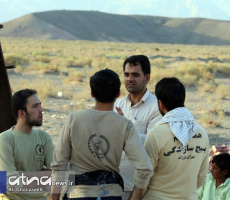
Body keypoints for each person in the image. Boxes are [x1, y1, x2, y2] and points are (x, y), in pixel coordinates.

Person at [50, 69, 153, 200]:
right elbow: (145, 168)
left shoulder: (74, 119)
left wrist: (54, 197)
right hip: (111, 195)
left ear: (92, 93)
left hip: (79, 194)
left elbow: (59, 164)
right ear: (118, 93)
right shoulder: (125, 125)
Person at [142, 77, 209, 200]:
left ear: (160, 103)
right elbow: (202, 177)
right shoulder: (202, 133)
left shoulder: (156, 134)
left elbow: (143, 175)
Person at [114, 55, 161, 199]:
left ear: (147, 78)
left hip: (135, 187)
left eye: (135, 75)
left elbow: (153, 144)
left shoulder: (157, 107)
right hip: (110, 182)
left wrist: (125, 128)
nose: (129, 79)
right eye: (126, 75)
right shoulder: (117, 104)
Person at [0, 89, 54, 200]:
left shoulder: (44, 137)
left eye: (40, 105)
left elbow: (59, 175)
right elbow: (8, 184)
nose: (41, 110)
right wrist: (44, 175)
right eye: (35, 106)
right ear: (21, 113)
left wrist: (21, 177)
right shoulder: (5, 139)